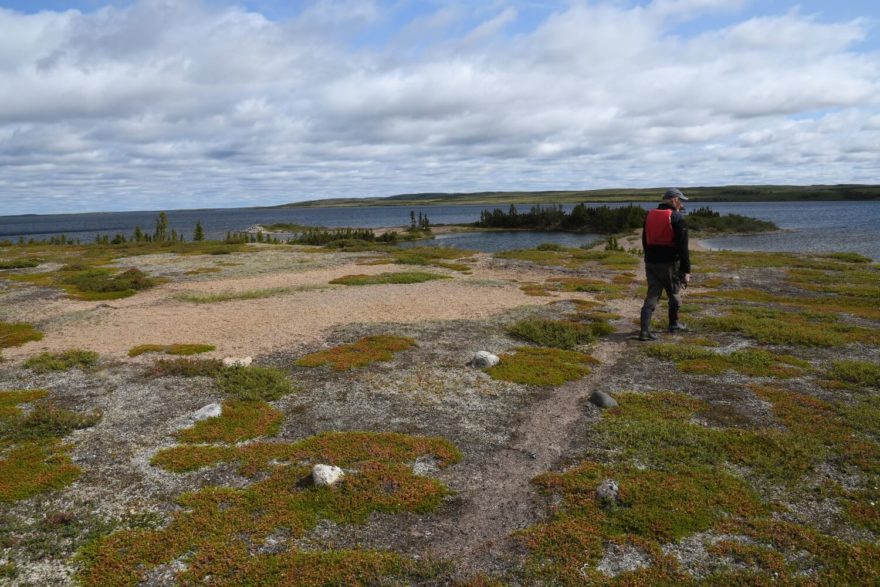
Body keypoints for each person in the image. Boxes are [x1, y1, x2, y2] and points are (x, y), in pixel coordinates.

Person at [638, 188, 691, 341]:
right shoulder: (677, 218)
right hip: (669, 264)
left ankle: (644, 331)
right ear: (674, 200)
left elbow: (645, 240)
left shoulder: (649, 215)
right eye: (680, 200)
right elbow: (683, 248)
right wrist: (686, 271)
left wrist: (648, 259)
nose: (681, 204)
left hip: (651, 263)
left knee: (652, 294)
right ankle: (674, 324)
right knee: (674, 294)